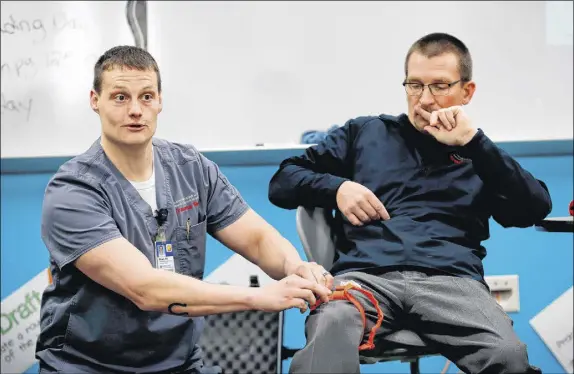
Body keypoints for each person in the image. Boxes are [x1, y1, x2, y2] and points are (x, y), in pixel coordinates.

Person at [36, 45, 334, 374]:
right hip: (89, 366)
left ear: (160, 101)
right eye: (120, 97)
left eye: (146, 96)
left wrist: (295, 266)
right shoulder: (72, 192)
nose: (135, 110)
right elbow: (145, 289)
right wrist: (259, 298)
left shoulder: (191, 168)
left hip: (178, 365)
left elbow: (257, 238)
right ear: (95, 100)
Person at [268, 32, 551, 374]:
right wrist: (338, 188)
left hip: (453, 283)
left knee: (508, 355)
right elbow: (283, 181)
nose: (425, 100)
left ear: (467, 91)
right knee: (328, 326)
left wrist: (474, 143)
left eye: (440, 86)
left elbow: (535, 208)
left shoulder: (481, 155)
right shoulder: (366, 133)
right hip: (366, 278)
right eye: (414, 85)